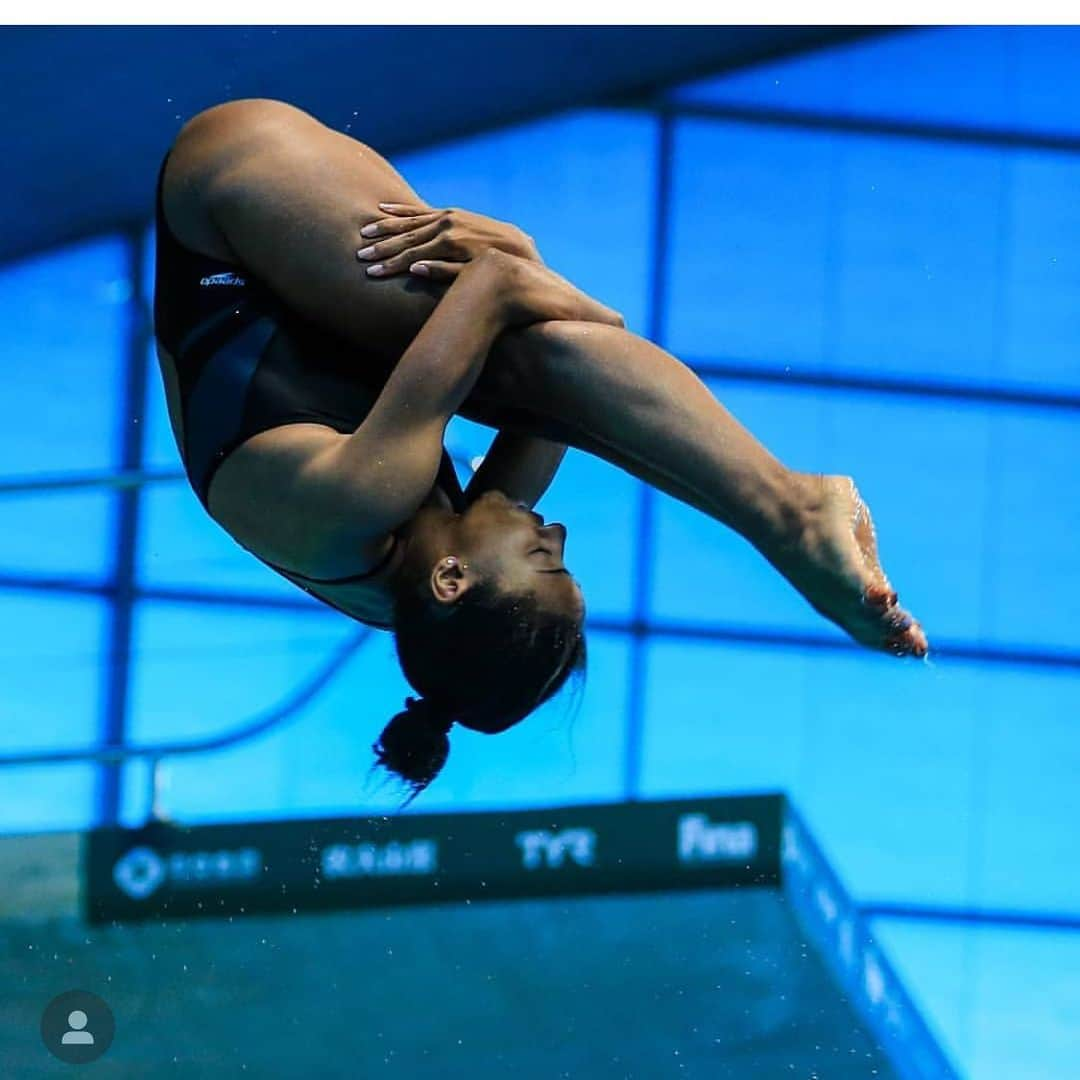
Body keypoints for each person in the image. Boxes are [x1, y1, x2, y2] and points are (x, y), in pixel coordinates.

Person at [153, 97, 928, 806]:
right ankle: (781, 515)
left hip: (225, 198)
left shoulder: (351, 506)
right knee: (530, 379)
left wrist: (546, 277)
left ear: (453, 579)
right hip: (314, 306)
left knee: (524, 359)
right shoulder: (428, 577)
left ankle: (789, 512)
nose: (554, 534)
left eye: (546, 560)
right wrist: (524, 266)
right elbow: (565, 408)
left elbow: (504, 290)